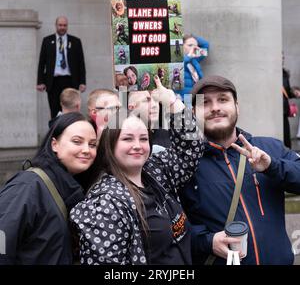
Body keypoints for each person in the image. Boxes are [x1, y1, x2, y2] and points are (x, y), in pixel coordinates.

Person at [70, 76, 204, 265]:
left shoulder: (155, 171)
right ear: (111, 145)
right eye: (127, 139)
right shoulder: (105, 204)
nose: (137, 145)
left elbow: (191, 148)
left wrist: (174, 103)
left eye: (143, 138)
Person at [179, 75, 300, 265]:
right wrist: (207, 242)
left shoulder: (270, 147)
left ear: (237, 106)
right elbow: (172, 227)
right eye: (206, 103)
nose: (215, 107)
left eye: (223, 99)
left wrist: (272, 166)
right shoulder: (184, 164)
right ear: (193, 113)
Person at [0, 112, 97, 264]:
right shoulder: (28, 186)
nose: (87, 150)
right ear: (54, 144)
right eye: (77, 141)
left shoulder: (75, 187)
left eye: (92, 144)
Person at [36, 16, 86, 119]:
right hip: (53, 82)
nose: (62, 27)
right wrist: (40, 81)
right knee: (55, 110)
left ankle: (70, 131)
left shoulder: (76, 41)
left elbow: (81, 63)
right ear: (56, 26)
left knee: (71, 110)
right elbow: (42, 63)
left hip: (70, 81)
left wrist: (82, 82)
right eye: (60, 25)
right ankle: (56, 133)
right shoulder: (47, 41)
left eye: (64, 25)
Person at [175, 34, 209, 102]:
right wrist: (189, 56)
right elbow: (176, 69)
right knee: (187, 112)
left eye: (196, 46)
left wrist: (193, 36)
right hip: (182, 99)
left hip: (197, 96)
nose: (194, 48)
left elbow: (206, 44)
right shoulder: (176, 59)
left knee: (200, 112)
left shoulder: (195, 59)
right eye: (190, 45)